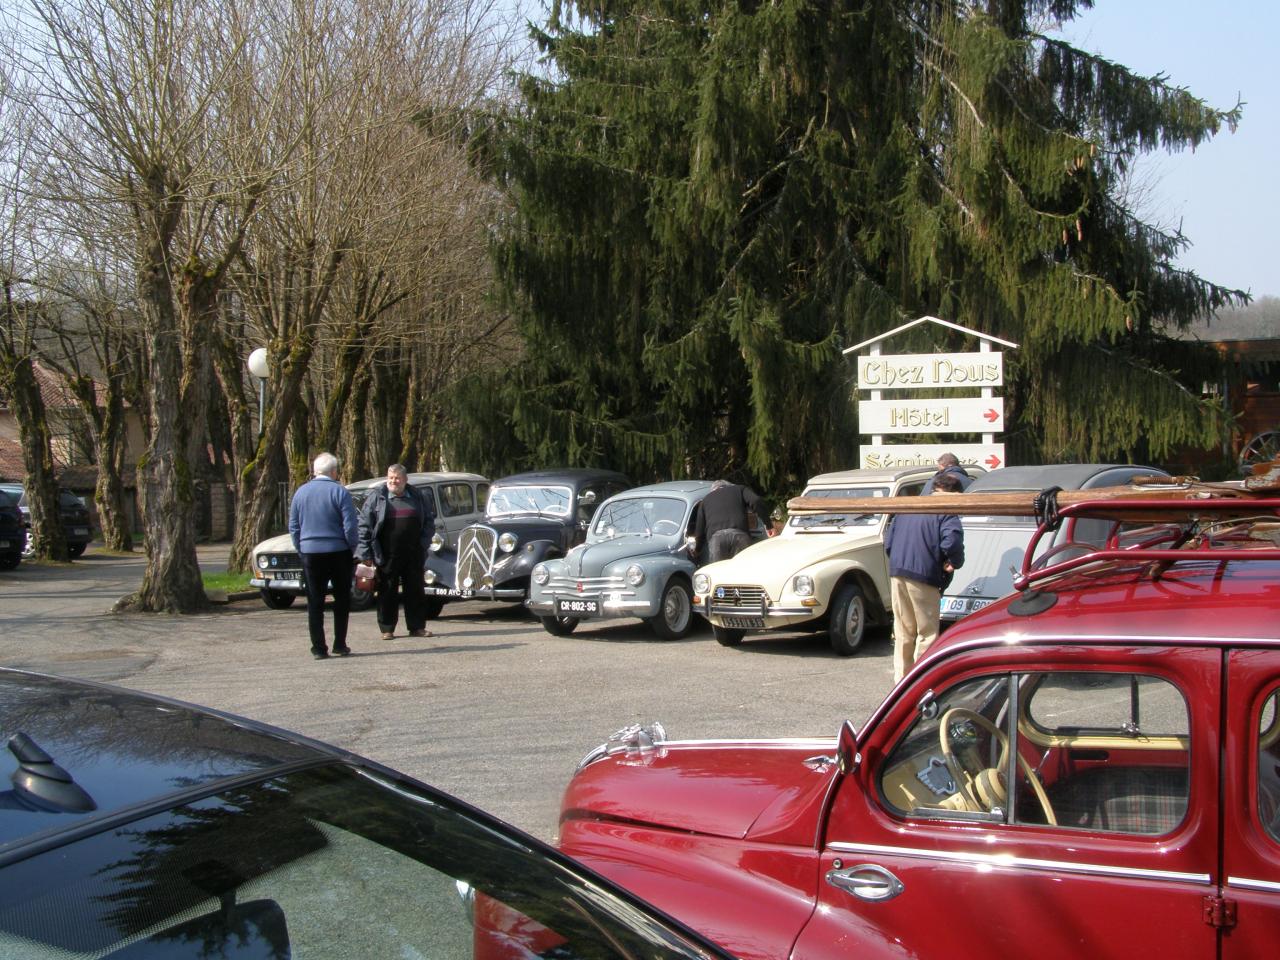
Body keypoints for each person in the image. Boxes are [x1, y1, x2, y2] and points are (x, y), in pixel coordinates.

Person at [883, 471, 965, 683]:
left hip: (897, 572)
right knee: (927, 633)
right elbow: (952, 542)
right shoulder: (947, 511)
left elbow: (889, 542)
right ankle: (921, 683)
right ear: (955, 493)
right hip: (924, 574)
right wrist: (954, 562)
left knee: (903, 630)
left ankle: (901, 682)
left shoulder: (909, 506)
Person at [289, 452, 360, 660]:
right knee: (342, 599)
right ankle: (340, 644)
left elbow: (294, 526)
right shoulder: (340, 492)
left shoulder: (300, 493)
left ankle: (319, 648)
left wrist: (302, 548)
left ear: (315, 471)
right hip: (338, 551)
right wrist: (351, 547)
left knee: (315, 602)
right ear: (334, 471)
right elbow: (350, 525)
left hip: (311, 553)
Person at [358, 463, 435, 641]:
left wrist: (423, 543)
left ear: (405, 480)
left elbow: (429, 522)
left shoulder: (418, 496)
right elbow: (364, 526)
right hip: (387, 554)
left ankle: (417, 627)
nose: (393, 481)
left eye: (397, 478)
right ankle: (387, 629)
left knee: (415, 591)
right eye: (390, 478)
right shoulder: (377, 497)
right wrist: (365, 554)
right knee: (387, 591)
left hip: (414, 552)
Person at [695, 479, 769, 562]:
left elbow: (699, 531)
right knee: (743, 571)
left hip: (716, 541)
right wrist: (769, 525)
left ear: (713, 490)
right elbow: (756, 501)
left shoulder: (705, 500)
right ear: (729, 486)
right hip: (740, 536)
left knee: (717, 572)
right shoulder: (739, 489)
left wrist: (697, 550)